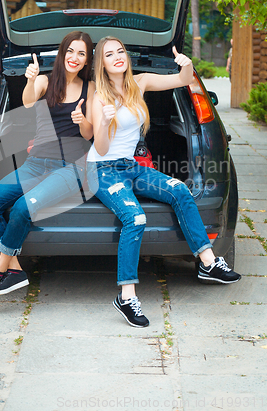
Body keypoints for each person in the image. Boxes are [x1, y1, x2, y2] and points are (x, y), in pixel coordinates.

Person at [87, 36, 241, 328]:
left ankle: (208, 263)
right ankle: (127, 296)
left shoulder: (140, 82)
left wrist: (187, 65)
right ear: (102, 64)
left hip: (131, 166)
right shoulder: (99, 97)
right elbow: (102, 147)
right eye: (110, 54)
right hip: (102, 169)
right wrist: (105, 123)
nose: (118, 56)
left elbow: (181, 80)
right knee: (135, 217)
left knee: (180, 189)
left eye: (121, 50)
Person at [0, 31, 95, 305]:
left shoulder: (92, 90)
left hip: (71, 168)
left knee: (21, 208)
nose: (74, 58)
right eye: (70, 51)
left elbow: (90, 135)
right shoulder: (45, 81)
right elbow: (29, 101)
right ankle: (14, 269)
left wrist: (82, 121)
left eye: (81, 53)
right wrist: (30, 80)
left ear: (87, 60)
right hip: (37, 162)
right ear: (62, 53)